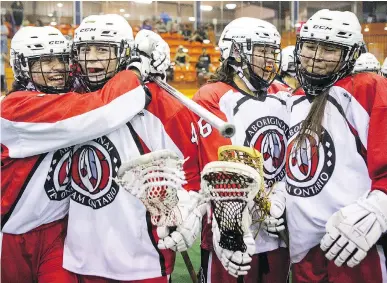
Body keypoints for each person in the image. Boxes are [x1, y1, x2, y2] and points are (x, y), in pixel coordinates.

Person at [1, 23, 169, 283]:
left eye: (61, 59)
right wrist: (136, 68)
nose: (57, 68)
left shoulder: (69, 91)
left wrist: (154, 55)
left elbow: (103, 83)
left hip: (57, 232)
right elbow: (101, 109)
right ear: (23, 67)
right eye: (45, 62)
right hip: (10, 234)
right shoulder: (14, 110)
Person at [62, 15, 205, 282]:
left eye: (103, 49)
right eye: (85, 49)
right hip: (78, 259)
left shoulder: (161, 106)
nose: (92, 58)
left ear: (126, 53)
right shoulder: (69, 101)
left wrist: (189, 209)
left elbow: (192, 176)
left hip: (142, 260)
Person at [286, 9, 387, 283]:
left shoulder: (367, 88)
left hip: (355, 241)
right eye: (310, 46)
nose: (316, 57)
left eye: (330, 49)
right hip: (303, 248)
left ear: (351, 53)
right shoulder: (292, 99)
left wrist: (380, 205)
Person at [193, 17, 290, 283]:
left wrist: (279, 200)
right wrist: (260, 207)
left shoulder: (283, 94)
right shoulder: (212, 96)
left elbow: (291, 157)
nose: (270, 59)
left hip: (277, 228)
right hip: (231, 225)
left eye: (273, 51)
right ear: (235, 53)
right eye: (262, 51)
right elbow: (221, 168)